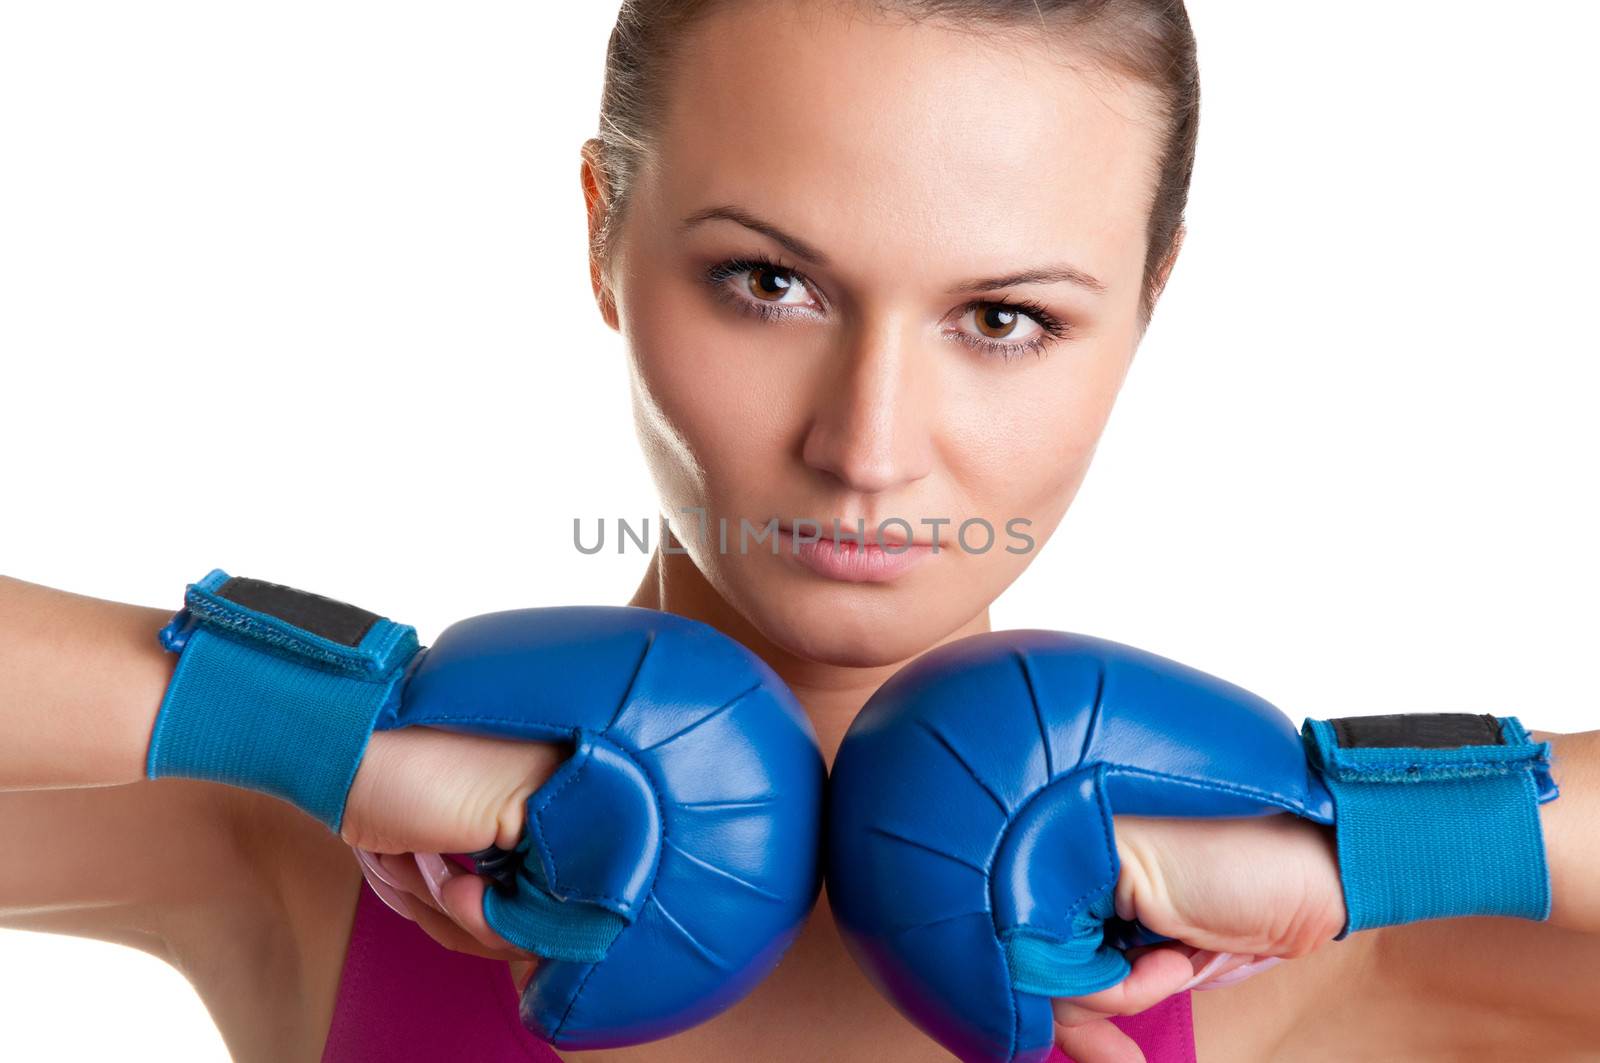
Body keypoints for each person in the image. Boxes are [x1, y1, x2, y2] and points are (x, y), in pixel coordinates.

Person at [3, 1, 1597, 1061]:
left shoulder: (1312, 950)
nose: (867, 446)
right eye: (771, 284)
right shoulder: (317, 848)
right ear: (605, 233)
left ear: (1147, 304)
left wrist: (1359, 837)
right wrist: (315, 728)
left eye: (1005, 316)